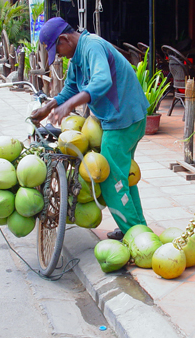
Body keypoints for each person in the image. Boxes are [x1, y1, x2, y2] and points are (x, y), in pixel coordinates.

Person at [30, 17, 149, 240]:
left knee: (112, 180)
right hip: (118, 119)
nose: (62, 55)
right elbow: (70, 88)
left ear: (65, 38)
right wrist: (49, 106)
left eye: (60, 50)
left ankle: (135, 237)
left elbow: (102, 81)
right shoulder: (77, 57)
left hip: (123, 119)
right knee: (124, 176)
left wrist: (70, 105)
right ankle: (135, 227)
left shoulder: (92, 46)